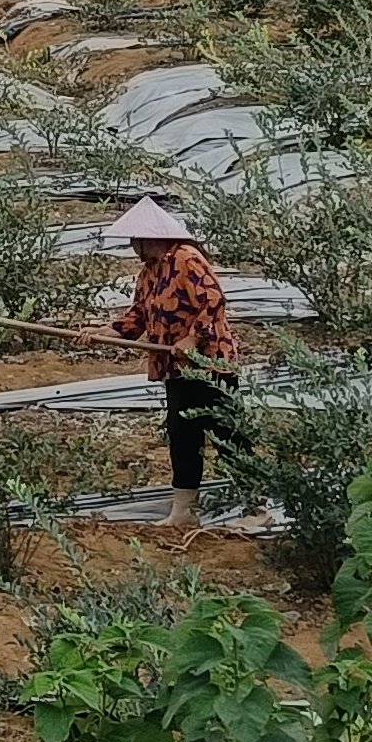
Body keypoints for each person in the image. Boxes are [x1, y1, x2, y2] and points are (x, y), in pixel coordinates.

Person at [105, 197, 244, 533]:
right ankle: (184, 510)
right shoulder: (149, 273)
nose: (132, 246)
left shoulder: (187, 259)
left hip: (210, 365)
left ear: (150, 237)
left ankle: (255, 505)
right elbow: (138, 315)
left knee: (226, 432)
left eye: (135, 239)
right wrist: (103, 332)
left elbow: (213, 301)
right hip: (176, 369)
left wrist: (192, 339)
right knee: (182, 434)